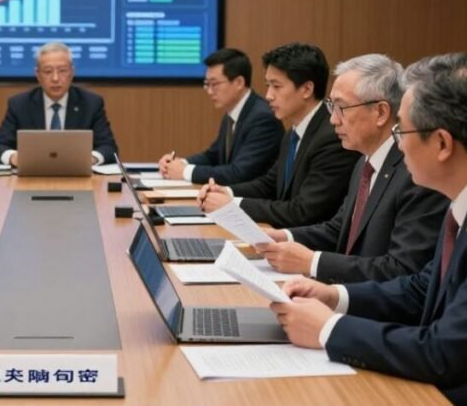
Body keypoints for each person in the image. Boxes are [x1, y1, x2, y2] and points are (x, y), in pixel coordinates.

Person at [271, 53, 467, 405]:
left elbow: (446, 353)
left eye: (402, 130)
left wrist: (329, 329)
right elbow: (424, 288)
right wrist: (336, 296)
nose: (398, 144)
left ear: (442, 143)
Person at [256, 54, 448, 283]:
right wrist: (283, 236)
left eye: (342, 108)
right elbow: (340, 229)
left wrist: (313, 262)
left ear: (380, 112)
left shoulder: (415, 173)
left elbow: (400, 269)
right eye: (332, 107)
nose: (333, 120)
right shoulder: (364, 161)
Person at [198, 42, 358, 228]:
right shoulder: (294, 132)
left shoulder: (332, 137)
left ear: (307, 89)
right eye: (268, 86)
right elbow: (270, 184)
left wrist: (233, 205)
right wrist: (225, 192)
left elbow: (302, 212)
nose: (268, 95)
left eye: (276, 86)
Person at [158, 48, 281, 185]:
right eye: (207, 84)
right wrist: (179, 163)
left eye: (215, 84)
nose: (210, 91)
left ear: (239, 82)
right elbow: (213, 156)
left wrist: (185, 171)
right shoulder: (232, 114)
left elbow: (239, 173)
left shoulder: (263, 118)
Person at [0, 42, 118, 166]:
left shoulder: (91, 104)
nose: (55, 78)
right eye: (48, 71)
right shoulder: (19, 104)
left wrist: (92, 158)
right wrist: (14, 157)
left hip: (77, 176)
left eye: (62, 71)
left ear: (72, 72)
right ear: (38, 75)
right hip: (33, 175)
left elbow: (109, 148)